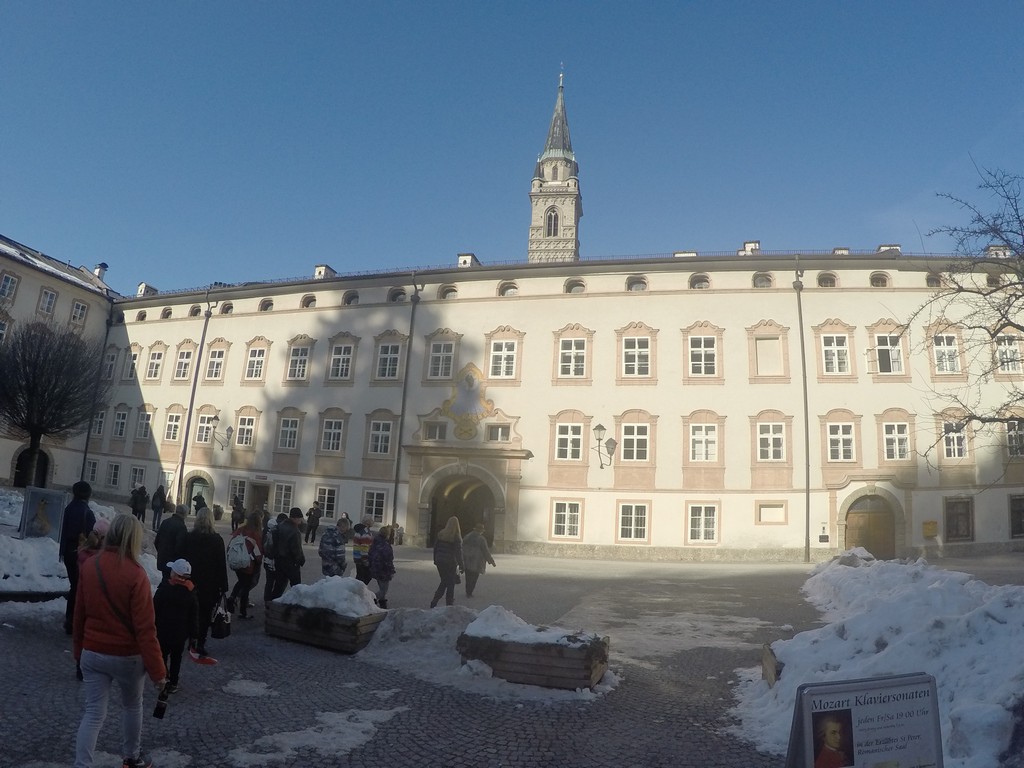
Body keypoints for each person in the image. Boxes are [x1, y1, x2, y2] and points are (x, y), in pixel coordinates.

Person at [72, 513, 167, 768]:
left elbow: (79, 614)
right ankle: (131, 757)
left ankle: (82, 764)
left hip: (93, 651)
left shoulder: (90, 566)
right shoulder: (136, 575)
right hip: (127, 656)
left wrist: (78, 651)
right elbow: (146, 629)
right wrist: (159, 672)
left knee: (93, 713)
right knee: (132, 706)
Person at [183, 507, 228, 660]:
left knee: (190, 612)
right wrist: (223, 585)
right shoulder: (216, 540)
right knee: (205, 615)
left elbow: (182, 557)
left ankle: (191, 639)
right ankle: (200, 642)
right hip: (210, 584)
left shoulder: (189, 538)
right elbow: (221, 564)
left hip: (191, 581)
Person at [153, 558, 198, 695]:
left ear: (175, 574)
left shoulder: (163, 590)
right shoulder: (190, 593)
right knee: (176, 658)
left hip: (163, 631)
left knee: (162, 656)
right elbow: (193, 616)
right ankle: (174, 682)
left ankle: (164, 678)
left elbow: (154, 610)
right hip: (180, 633)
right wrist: (193, 635)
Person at [61, 480, 96, 635]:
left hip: (67, 551)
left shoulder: (69, 508)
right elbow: (93, 536)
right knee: (79, 587)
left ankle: (70, 619)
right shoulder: (86, 512)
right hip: (80, 552)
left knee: (74, 585)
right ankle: (73, 621)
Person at [226, 511, 263, 619]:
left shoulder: (241, 530)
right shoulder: (255, 534)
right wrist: (259, 561)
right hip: (248, 564)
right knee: (246, 587)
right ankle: (243, 611)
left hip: (237, 561)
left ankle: (232, 598)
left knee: (241, 582)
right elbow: (258, 552)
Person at [429, 516, 464, 608]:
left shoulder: (441, 534)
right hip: (450, 562)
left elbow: (435, 548)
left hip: (440, 562)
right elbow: (458, 552)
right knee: (450, 583)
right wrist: (461, 565)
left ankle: (435, 600)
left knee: (444, 581)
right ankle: (448, 603)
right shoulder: (456, 537)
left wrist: (435, 560)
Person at [271, 507, 306, 600]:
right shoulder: (294, 531)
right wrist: (301, 560)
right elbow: (296, 549)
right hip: (291, 562)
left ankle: (273, 603)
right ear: (295, 518)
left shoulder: (280, 526)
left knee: (279, 586)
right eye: (300, 519)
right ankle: (296, 603)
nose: (300, 521)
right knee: (296, 586)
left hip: (279, 560)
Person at [154, 504, 188, 582]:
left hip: (162, 560)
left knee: (165, 580)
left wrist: (161, 552)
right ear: (184, 514)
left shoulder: (165, 522)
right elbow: (180, 547)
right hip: (173, 563)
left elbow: (157, 541)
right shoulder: (181, 527)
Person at [461, 522, 496, 598]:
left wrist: (461, 560)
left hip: (467, 560)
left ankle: (468, 591)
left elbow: (462, 548)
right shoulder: (481, 539)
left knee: (468, 577)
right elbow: (486, 551)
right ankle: (470, 591)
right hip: (476, 562)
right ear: (481, 531)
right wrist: (491, 561)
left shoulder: (467, 537)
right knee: (474, 577)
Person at [262, 512, 287, 608]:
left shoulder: (267, 528)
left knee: (269, 581)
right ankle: (274, 600)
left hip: (267, 559)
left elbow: (262, 541)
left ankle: (267, 600)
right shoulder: (281, 529)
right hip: (277, 561)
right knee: (280, 582)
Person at [368, 525, 396, 608]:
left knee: (381, 587)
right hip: (383, 570)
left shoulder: (375, 543)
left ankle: (382, 602)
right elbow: (388, 560)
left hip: (375, 568)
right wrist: (391, 571)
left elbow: (370, 554)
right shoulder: (386, 546)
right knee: (383, 590)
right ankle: (370, 600)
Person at [351, 515, 376, 584]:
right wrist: (365, 560)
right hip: (362, 558)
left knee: (360, 576)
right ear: (368, 522)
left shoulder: (359, 531)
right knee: (366, 577)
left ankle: (358, 589)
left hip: (357, 556)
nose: (373, 522)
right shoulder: (365, 532)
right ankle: (359, 589)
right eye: (372, 520)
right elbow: (364, 547)